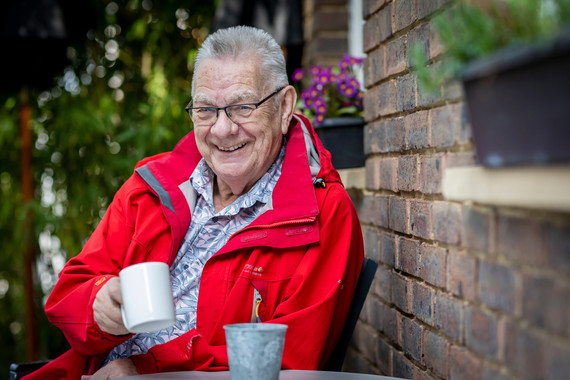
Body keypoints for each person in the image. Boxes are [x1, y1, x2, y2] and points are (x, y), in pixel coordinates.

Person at [26, 25, 364, 379]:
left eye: (241, 107)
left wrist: (144, 370)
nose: (221, 129)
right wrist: (99, 306)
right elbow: (68, 294)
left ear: (284, 108)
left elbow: (286, 361)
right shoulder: (152, 186)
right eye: (205, 109)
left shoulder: (322, 213)